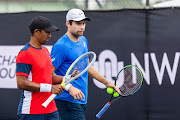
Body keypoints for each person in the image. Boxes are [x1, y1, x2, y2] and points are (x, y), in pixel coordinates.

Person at [51, 8, 120, 120]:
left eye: (83, 23)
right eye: (78, 23)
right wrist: (69, 88)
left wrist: (106, 82)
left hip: (81, 99)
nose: (82, 27)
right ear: (68, 23)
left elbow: (87, 66)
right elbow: (48, 74)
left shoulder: (83, 41)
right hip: (67, 100)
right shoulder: (61, 46)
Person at [16, 16, 65, 120]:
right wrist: (50, 88)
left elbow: (50, 77)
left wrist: (67, 78)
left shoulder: (46, 51)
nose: (50, 35)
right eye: (47, 32)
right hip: (31, 112)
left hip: (51, 110)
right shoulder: (25, 53)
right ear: (37, 31)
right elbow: (21, 83)